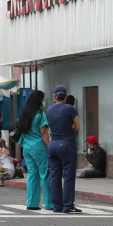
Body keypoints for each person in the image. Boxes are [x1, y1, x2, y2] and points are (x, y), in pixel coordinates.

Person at [47, 85, 81, 213]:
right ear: (66, 96)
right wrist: (71, 126)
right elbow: (77, 126)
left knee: (55, 176)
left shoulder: (49, 110)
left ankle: (57, 206)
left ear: (54, 96)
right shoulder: (69, 109)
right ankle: (67, 205)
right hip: (67, 145)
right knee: (68, 176)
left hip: (53, 145)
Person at [18, 90, 53, 211]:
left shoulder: (24, 114)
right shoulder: (40, 115)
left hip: (27, 148)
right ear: (39, 100)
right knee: (44, 175)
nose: (44, 101)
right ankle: (49, 203)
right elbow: (44, 133)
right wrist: (50, 147)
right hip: (39, 148)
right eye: (43, 99)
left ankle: (32, 203)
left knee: (32, 175)